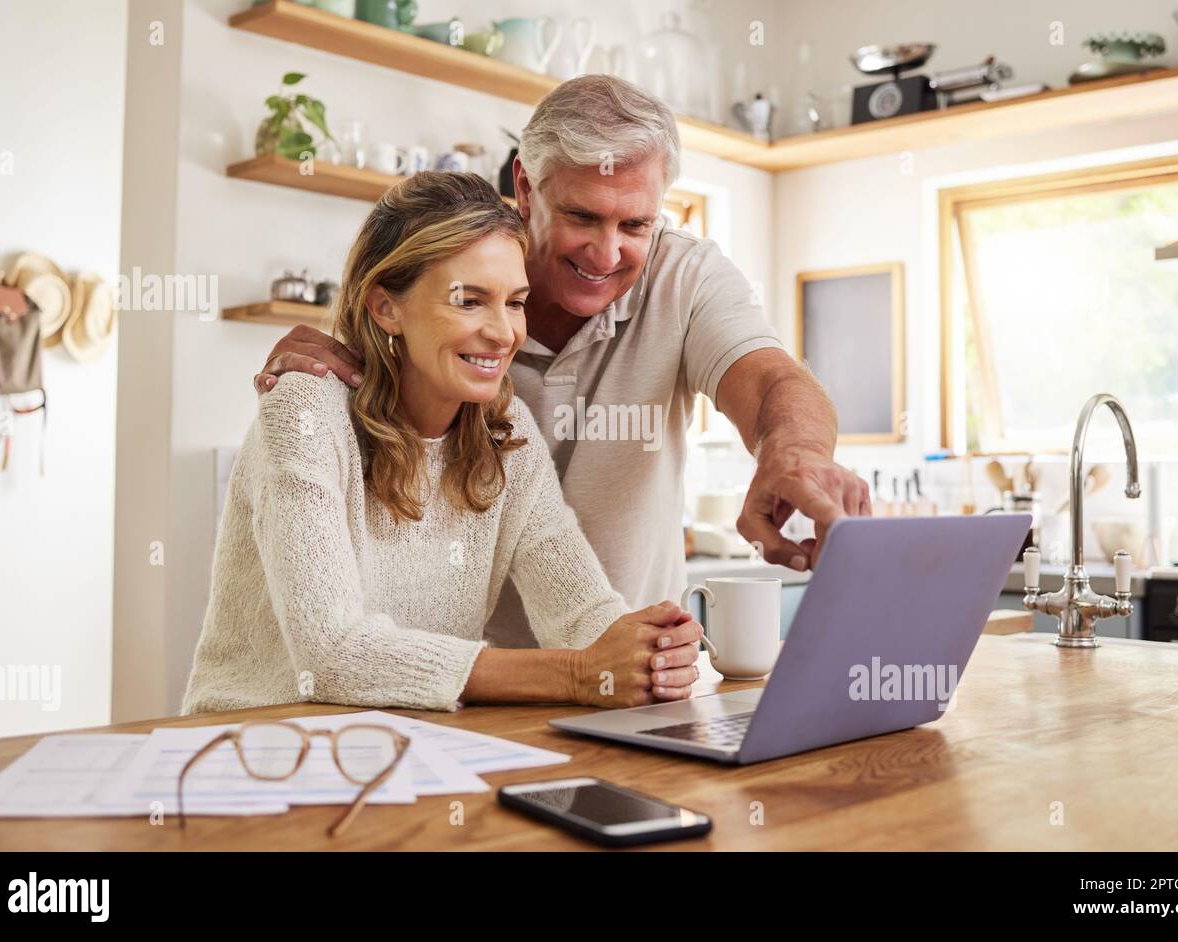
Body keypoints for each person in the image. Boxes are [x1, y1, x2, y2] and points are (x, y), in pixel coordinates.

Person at [254, 75, 871, 651]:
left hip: (612, 668)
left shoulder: (685, 278)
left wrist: (794, 453)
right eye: (582, 216)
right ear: (525, 187)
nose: (607, 253)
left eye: (636, 223)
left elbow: (770, 383)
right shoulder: (449, 285)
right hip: (450, 682)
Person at [182, 171, 702, 715]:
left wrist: (649, 649)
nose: (503, 333)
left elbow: (581, 616)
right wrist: (577, 673)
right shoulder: (306, 411)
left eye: (515, 302)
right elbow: (333, 655)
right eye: (470, 301)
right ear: (386, 308)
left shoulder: (507, 434)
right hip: (255, 753)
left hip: (412, 750)